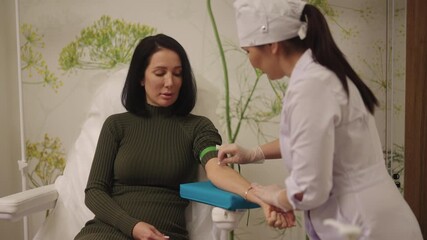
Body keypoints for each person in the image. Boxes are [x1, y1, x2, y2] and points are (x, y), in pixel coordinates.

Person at [217, 0, 424, 240]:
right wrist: (254, 154)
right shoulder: (318, 75)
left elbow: (309, 190)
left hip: (366, 224)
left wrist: (275, 196)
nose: (250, 61)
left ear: (272, 44)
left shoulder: (312, 86)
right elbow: (313, 143)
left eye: (248, 52)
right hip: (360, 220)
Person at [74, 33, 293, 240]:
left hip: (164, 234)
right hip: (106, 232)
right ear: (141, 78)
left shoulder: (197, 127)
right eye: (160, 73)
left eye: (177, 73)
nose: (170, 82)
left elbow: (217, 168)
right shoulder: (116, 125)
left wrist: (262, 199)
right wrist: (133, 226)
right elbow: (94, 191)